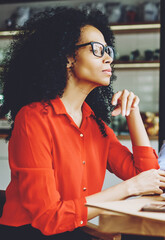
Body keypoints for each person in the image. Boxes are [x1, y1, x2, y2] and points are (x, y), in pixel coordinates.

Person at [0, 7, 164, 240]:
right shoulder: (33, 119)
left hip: (72, 229)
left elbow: (148, 179)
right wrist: (130, 188)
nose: (108, 58)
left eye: (109, 50)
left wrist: (133, 112)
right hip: (29, 233)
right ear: (68, 57)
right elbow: (48, 218)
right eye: (97, 50)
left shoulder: (95, 125)